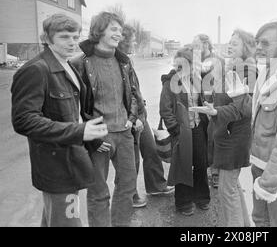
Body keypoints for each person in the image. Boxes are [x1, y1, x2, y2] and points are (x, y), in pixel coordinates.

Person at [198, 21, 277, 227]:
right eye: (258, 42)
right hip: (262, 166)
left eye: (265, 43)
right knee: (261, 221)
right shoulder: (269, 73)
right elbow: (259, 117)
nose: (259, 47)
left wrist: (268, 183)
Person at [11, 13, 108, 227]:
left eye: (75, 36)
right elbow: (24, 120)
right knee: (67, 222)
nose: (72, 42)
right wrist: (78, 131)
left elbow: (75, 111)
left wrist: (92, 137)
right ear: (46, 38)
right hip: (56, 164)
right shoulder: (36, 70)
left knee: (56, 220)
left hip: (70, 159)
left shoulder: (67, 65)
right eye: (64, 37)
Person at [71, 12, 139, 227]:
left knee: (127, 186)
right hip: (99, 137)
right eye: (113, 29)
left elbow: (135, 93)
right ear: (99, 30)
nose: (119, 33)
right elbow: (74, 107)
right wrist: (91, 136)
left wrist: (132, 117)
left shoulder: (124, 61)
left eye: (120, 29)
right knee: (98, 192)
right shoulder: (80, 63)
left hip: (125, 134)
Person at [195, 29, 256, 227]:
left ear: (246, 47)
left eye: (235, 43)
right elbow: (226, 97)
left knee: (226, 190)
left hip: (235, 137)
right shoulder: (233, 68)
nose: (230, 46)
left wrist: (216, 112)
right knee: (233, 187)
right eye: (229, 43)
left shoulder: (248, 71)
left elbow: (245, 108)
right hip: (227, 135)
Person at [119, 25, 174, 209]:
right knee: (131, 160)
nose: (134, 42)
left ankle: (156, 186)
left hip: (139, 114)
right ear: (122, 40)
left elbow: (133, 91)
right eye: (131, 39)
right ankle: (130, 195)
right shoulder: (115, 62)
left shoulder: (127, 60)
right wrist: (134, 118)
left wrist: (141, 113)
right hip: (130, 119)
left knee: (150, 150)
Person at [159, 45, 210, 216]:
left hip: (198, 129)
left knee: (201, 164)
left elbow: (203, 101)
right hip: (182, 131)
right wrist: (176, 130)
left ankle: (201, 196)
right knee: (183, 166)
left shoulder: (196, 79)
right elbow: (165, 110)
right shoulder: (170, 82)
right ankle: (183, 202)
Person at [192, 34, 221, 188]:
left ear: (205, 44)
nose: (195, 49)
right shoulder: (197, 61)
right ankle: (205, 168)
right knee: (202, 137)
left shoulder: (216, 60)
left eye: (197, 46)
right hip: (199, 105)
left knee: (213, 138)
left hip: (212, 105)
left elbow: (218, 84)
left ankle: (215, 172)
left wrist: (214, 104)